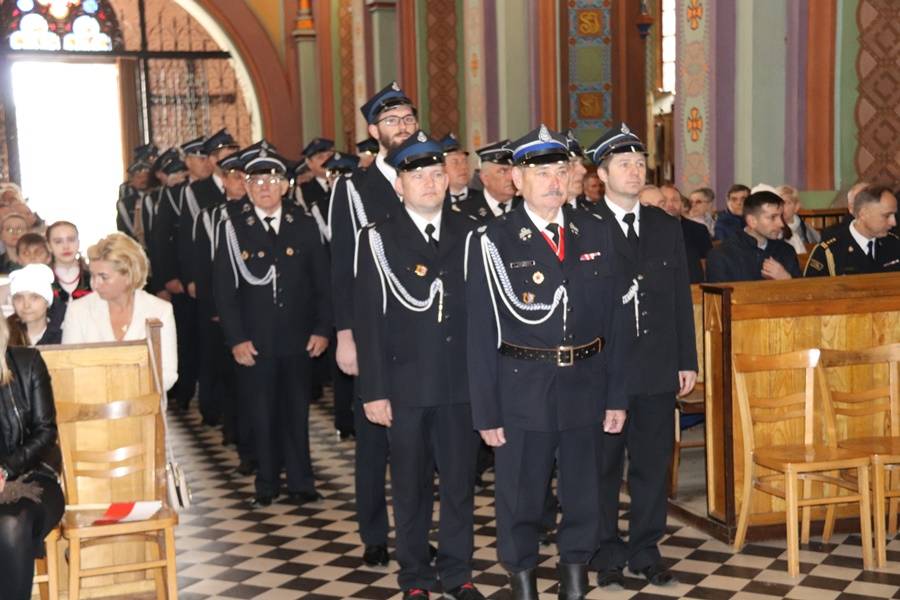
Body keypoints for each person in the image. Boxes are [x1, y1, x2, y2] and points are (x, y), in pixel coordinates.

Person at [466, 124, 625, 600]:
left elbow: (615, 323)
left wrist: (616, 396)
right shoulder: (492, 239)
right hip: (522, 385)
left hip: (586, 383)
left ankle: (575, 574)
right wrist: (486, 412)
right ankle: (522, 579)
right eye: (541, 174)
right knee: (521, 494)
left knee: (583, 491)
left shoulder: (595, 230)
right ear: (517, 180)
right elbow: (480, 333)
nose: (554, 182)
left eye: (560, 171)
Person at [355, 131, 484, 600]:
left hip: (460, 386)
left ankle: (458, 572)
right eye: (418, 176)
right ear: (400, 185)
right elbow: (369, 321)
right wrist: (374, 390)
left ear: (448, 180)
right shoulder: (378, 238)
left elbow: (484, 315)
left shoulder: (472, 232)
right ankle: (414, 576)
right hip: (405, 386)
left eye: (436, 174)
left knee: (459, 486)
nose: (430, 183)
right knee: (410, 488)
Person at [587, 126, 697, 589]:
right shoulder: (584, 225)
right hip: (603, 369)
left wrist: (686, 358)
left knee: (653, 464)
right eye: (623, 165)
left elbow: (678, 297)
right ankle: (606, 550)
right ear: (601, 174)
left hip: (655, 365)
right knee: (603, 466)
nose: (634, 172)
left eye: (639, 164)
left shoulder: (664, 225)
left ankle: (646, 548)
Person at [328, 81, 419, 566]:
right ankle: (374, 532)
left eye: (408, 119)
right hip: (373, 329)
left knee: (416, 440)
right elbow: (341, 267)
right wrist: (346, 335)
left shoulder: (427, 174)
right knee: (373, 441)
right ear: (373, 130)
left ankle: (413, 532)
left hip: (421, 329)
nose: (402, 127)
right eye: (391, 121)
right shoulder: (353, 188)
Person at [213, 143, 331, 508]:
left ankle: (301, 481)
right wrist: (236, 339)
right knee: (261, 414)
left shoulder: (304, 224)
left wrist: (322, 329)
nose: (265, 187)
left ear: (284, 186)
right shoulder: (234, 228)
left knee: (297, 411)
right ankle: (266, 482)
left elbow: (323, 283)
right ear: (247, 188)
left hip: (299, 338)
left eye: (272, 180)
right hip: (255, 340)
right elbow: (224, 291)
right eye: (257, 181)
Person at [62, 232, 178, 392]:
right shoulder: (78, 310)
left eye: (103, 277)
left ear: (128, 275)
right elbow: (70, 369)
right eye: (92, 276)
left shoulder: (160, 310)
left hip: (145, 404)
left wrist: (125, 392)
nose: (95, 284)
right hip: (93, 403)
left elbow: (167, 374)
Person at [0, 319, 64, 600]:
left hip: (33, 479)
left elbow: (45, 432)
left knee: (11, 524)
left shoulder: (27, 363)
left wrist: (5, 469)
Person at [154, 136, 209, 411]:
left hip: (210, 277)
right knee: (187, 336)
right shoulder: (175, 193)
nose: (205, 163)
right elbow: (162, 239)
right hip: (184, 278)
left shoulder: (215, 190)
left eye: (207, 157)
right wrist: (168, 277)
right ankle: (184, 390)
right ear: (187, 161)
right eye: (199, 158)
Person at [804, 184, 899, 277]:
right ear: (863, 214)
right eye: (887, 216)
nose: (893, 222)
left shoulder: (895, 243)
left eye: (894, 215)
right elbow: (811, 286)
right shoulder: (829, 251)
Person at [706, 191, 800, 283]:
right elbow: (720, 293)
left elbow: (803, 290)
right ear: (752, 221)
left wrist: (786, 279)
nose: (781, 224)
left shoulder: (786, 251)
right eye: (773, 217)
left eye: (781, 216)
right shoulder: (721, 255)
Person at [657, 184, 712, 283]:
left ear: (681, 203)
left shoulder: (698, 229)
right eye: (664, 201)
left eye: (675, 200)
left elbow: (706, 264)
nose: (670, 204)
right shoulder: (648, 230)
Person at [456, 141, 517, 221]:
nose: (511, 177)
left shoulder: (526, 205)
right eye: (502, 171)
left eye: (513, 170)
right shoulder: (463, 212)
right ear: (485, 178)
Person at [6, 264, 61, 346]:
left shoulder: (63, 335)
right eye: (19, 298)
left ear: (47, 302)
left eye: (34, 297)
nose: (26, 305)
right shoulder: (4, 334)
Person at [775, 184, 821, 254]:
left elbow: (820, 249)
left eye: (786, 203)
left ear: (796, 206)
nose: (781, 207)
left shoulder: (806, 229)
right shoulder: (771, 229)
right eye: (778, 203)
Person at [300, 137, 336, 220]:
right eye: (320, 157)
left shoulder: (347, 182)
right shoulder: (304, 190)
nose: (327, 160)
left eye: (330, 155)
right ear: (309, 163)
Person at [440, 133, 472, 203]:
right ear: (442, 169)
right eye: (455, 162)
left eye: (465, 161)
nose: (463, 167)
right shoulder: (436, 202)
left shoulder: (483, 199)